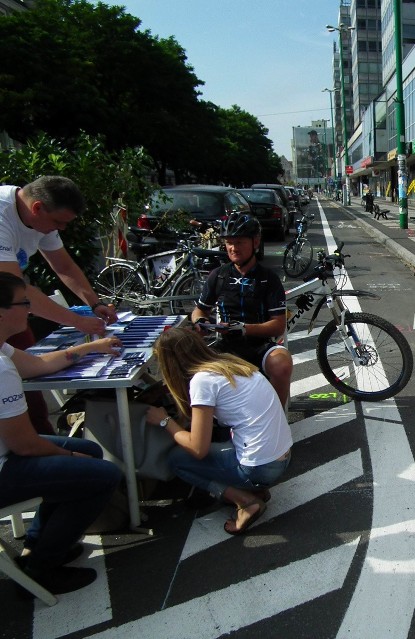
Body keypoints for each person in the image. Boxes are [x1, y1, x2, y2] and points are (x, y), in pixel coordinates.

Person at [0, 272, 122, 596]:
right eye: (23, 303)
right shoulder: (0, 368)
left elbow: (39, 366)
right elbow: (25, 445)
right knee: (104, 474)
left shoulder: (4, 352)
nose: (29, 310)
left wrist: (92, 347)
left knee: (90, 452)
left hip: (6, 452)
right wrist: (70, 456)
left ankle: (39, 544)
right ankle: (42, 569)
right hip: (5, 464)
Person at [0, 176, 119, 435]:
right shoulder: (1, 215)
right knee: (16, 383)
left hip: (7, 304)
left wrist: (94, 303)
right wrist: (77, 320)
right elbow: (15, 288)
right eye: (58, 223)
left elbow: (64, 266)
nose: (61, 229)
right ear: (37, 207)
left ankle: (43, 441)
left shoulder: (42, 219)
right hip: (5, 301)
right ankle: (31, 449)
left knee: (31, 378)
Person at [145, 328, 292, 536]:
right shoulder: (228, 363)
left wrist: (164, 421)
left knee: (177, 459)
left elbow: (198, 449)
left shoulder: (202, 381)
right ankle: (256, 488)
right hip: (282, 457)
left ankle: (245, 501)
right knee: (224, 434)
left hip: (261, 468)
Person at [191, 213, 293, 409]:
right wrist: (200, 322)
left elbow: (279, 325)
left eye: (239, 242)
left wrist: (244, 328)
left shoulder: (268, 279)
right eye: (229, 242)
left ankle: (275, 420)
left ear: (255, 242)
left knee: (282, 364)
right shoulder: (218, 276)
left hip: (259, 346)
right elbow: (199, 311)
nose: (233, 248)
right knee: (189, 366)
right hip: (225, 346)